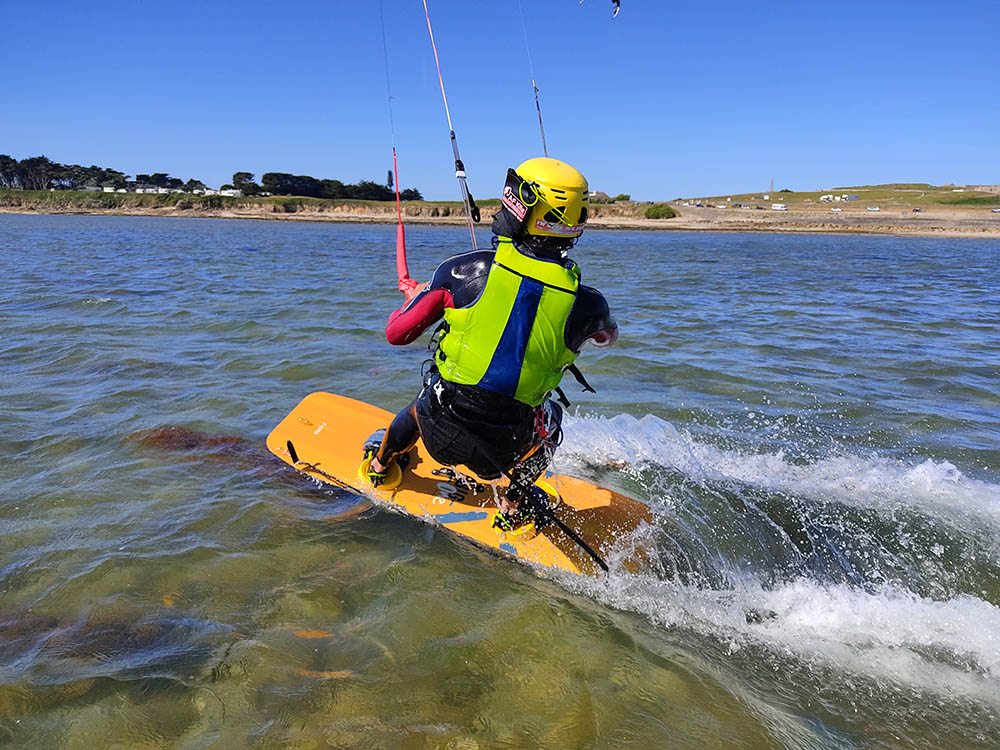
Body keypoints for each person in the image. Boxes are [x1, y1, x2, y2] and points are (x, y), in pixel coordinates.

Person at [360, 157, 617, 524]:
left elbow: (396, 334)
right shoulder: (589, 305)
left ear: (521, 204)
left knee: (422, 403)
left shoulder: (463, 270)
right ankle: (512, 502)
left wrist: (421, 296)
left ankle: (381, 466)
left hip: (439, 430)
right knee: (553, 418)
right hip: (507, 448)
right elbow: (606, 336)